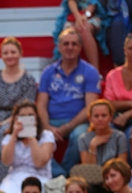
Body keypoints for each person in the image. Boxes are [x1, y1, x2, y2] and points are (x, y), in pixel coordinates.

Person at [37, 28, 101, 178]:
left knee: (80, 136)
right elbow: (41, 104)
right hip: (51, 120)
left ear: (80, 47)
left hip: (78, 122)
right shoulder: (48, 72)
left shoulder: (90, 71)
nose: (70, 47)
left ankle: (65, 174)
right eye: (66, 44)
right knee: (31, 134)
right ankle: (59, 174)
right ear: (59, 47)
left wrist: (68, 126)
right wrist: (46, 126)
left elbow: (90, 107)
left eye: (74, 44)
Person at [0, 37, 39, 182]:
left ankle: (4, 179)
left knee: (3, 134)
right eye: (5, 53)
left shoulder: (28, 79)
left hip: (19, 118)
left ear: (20, 53)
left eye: (13, 52)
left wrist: (1, 124)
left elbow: (26, 109)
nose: (9, 56)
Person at [0, 101, 56, 193]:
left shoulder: (46, 136)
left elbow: (40, 162)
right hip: (14, 177)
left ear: (36, 118)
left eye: (30, 116)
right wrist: (14, 135)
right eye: (22, 116)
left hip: (39, 177)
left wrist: (31, 135)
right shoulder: (8, 138)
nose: (26, 119)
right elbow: (6, 161)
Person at [77, 99, 129, 193]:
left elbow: (121, 166)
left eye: (104, 115)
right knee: (89, 188)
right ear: (90, 118)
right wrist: (92, 147)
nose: (100, 119)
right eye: (96, 116)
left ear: (111, 117)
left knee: (116, 182)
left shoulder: (119, 137)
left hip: (112, 179)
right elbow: (89, 171)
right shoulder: (83, 139)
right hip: (94, 182)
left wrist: (107, 178)